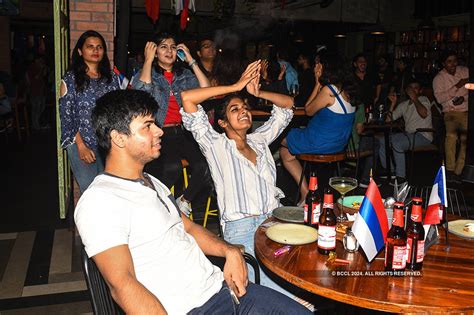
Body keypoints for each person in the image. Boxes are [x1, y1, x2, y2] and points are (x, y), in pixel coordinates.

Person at [75, 88, 310, 314]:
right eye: (148, 126)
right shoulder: (101, 200)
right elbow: (123, 286)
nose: (159, 131)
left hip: (223, 292)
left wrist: (229, 251)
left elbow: (188, 227)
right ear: (118, 138)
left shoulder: (152, 183)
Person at [181, 60, 299, 298]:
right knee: (271, 293)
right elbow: (188, 99)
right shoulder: (215, 145)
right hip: (242, 229)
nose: (244, 111)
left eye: (245, 107)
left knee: (295, 282)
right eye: (234, 109)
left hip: (274, 223)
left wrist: (258, 92)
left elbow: (288, 106)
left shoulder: (260, 139)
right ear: (223, 123)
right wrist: (236, 85)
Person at [132, 32, 212, 215]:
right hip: (160, 133)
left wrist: (191, 60)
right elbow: (140, 93)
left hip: (184, 132)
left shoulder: (184, 75)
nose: (169, 51)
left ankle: (183, 200)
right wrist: (147, 60)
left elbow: (207, 90)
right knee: (172, 167)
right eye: (163, 47)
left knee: (205, 166)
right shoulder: (148, 74)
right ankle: (158, 206)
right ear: (155, 52)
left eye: (173, 47)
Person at [280, 57, 356, 204]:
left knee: (279, 137)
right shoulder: (347, 91)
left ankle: (306, 194)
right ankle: (307, 194)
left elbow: (308, 110)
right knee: (286, 151)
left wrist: (317, 83)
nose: (315, 66)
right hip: (338, 145)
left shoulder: (329, 90)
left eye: (318, 64)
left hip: (319, 142)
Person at [59, 30, 120, 193]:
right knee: (90, 192)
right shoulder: (70, 79)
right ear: (80, 51)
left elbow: (117, 110)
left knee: (109, 191)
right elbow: (67, 116)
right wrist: (81, 145)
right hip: (81, 142)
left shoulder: (111, 78)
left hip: (108, 144)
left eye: (99, 47)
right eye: (90, 47)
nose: (95, 50)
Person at [380, 79, 433, 185]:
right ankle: (391, 171)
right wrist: (393, 103)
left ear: (420, 91)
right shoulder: (403, 104)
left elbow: (423, 113)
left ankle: (401, 177)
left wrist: (414, 98)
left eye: (416, 88)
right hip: (409, 135)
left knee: (397, 143)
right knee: (383, 140)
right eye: (411, 88)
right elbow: (388, 120)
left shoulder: (423, 99)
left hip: (423, 135)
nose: (413, 90)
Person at [433, 50, 469, 181]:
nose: (453, 64)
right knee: (452, 136)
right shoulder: (439, 78)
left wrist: (463, 99)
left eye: (454, 60)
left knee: (466, 139)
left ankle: (459, 171)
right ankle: (450, 169)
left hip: (466, 110)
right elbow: (440, 99)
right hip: (451, 112)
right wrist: (457, 86)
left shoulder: (464, 71)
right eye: (449, 61)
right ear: (443, 63)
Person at [27, 55, 48, 130]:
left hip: (41, 91)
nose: (40, 61)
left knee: (41, 107)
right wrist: (41, 69)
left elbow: (44, 75)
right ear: (36, 60)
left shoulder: (39, 67)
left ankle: (36, 123)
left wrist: (43, 68)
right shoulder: (32, 68)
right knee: (36, 108)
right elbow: (36, 77)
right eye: (39, 59)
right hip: (34, 91)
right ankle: (36, 126)